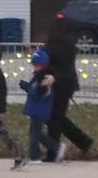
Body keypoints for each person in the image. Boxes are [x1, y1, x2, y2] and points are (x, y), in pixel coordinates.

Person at [44, 20, 93, 160]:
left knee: (54, 118)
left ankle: (53, 152)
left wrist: (53, 77)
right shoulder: (60, 43)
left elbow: (64, 68)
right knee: (56, 118)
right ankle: (83, 142)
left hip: (62, 86)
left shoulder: (63, 45)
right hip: (59, 85)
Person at [19, 48, 65, 164]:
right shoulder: (38, 76)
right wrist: (27, 86)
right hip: (36, 108)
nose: (35, 67)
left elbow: (39, 93)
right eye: (34, 64)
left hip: (40, 109)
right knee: (35, 133)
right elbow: (34, 90)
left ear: (43, 65)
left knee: (34, 133)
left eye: (37, 65)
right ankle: (56, 147)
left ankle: (35, 156)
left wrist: (29, 87)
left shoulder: (45, 78)